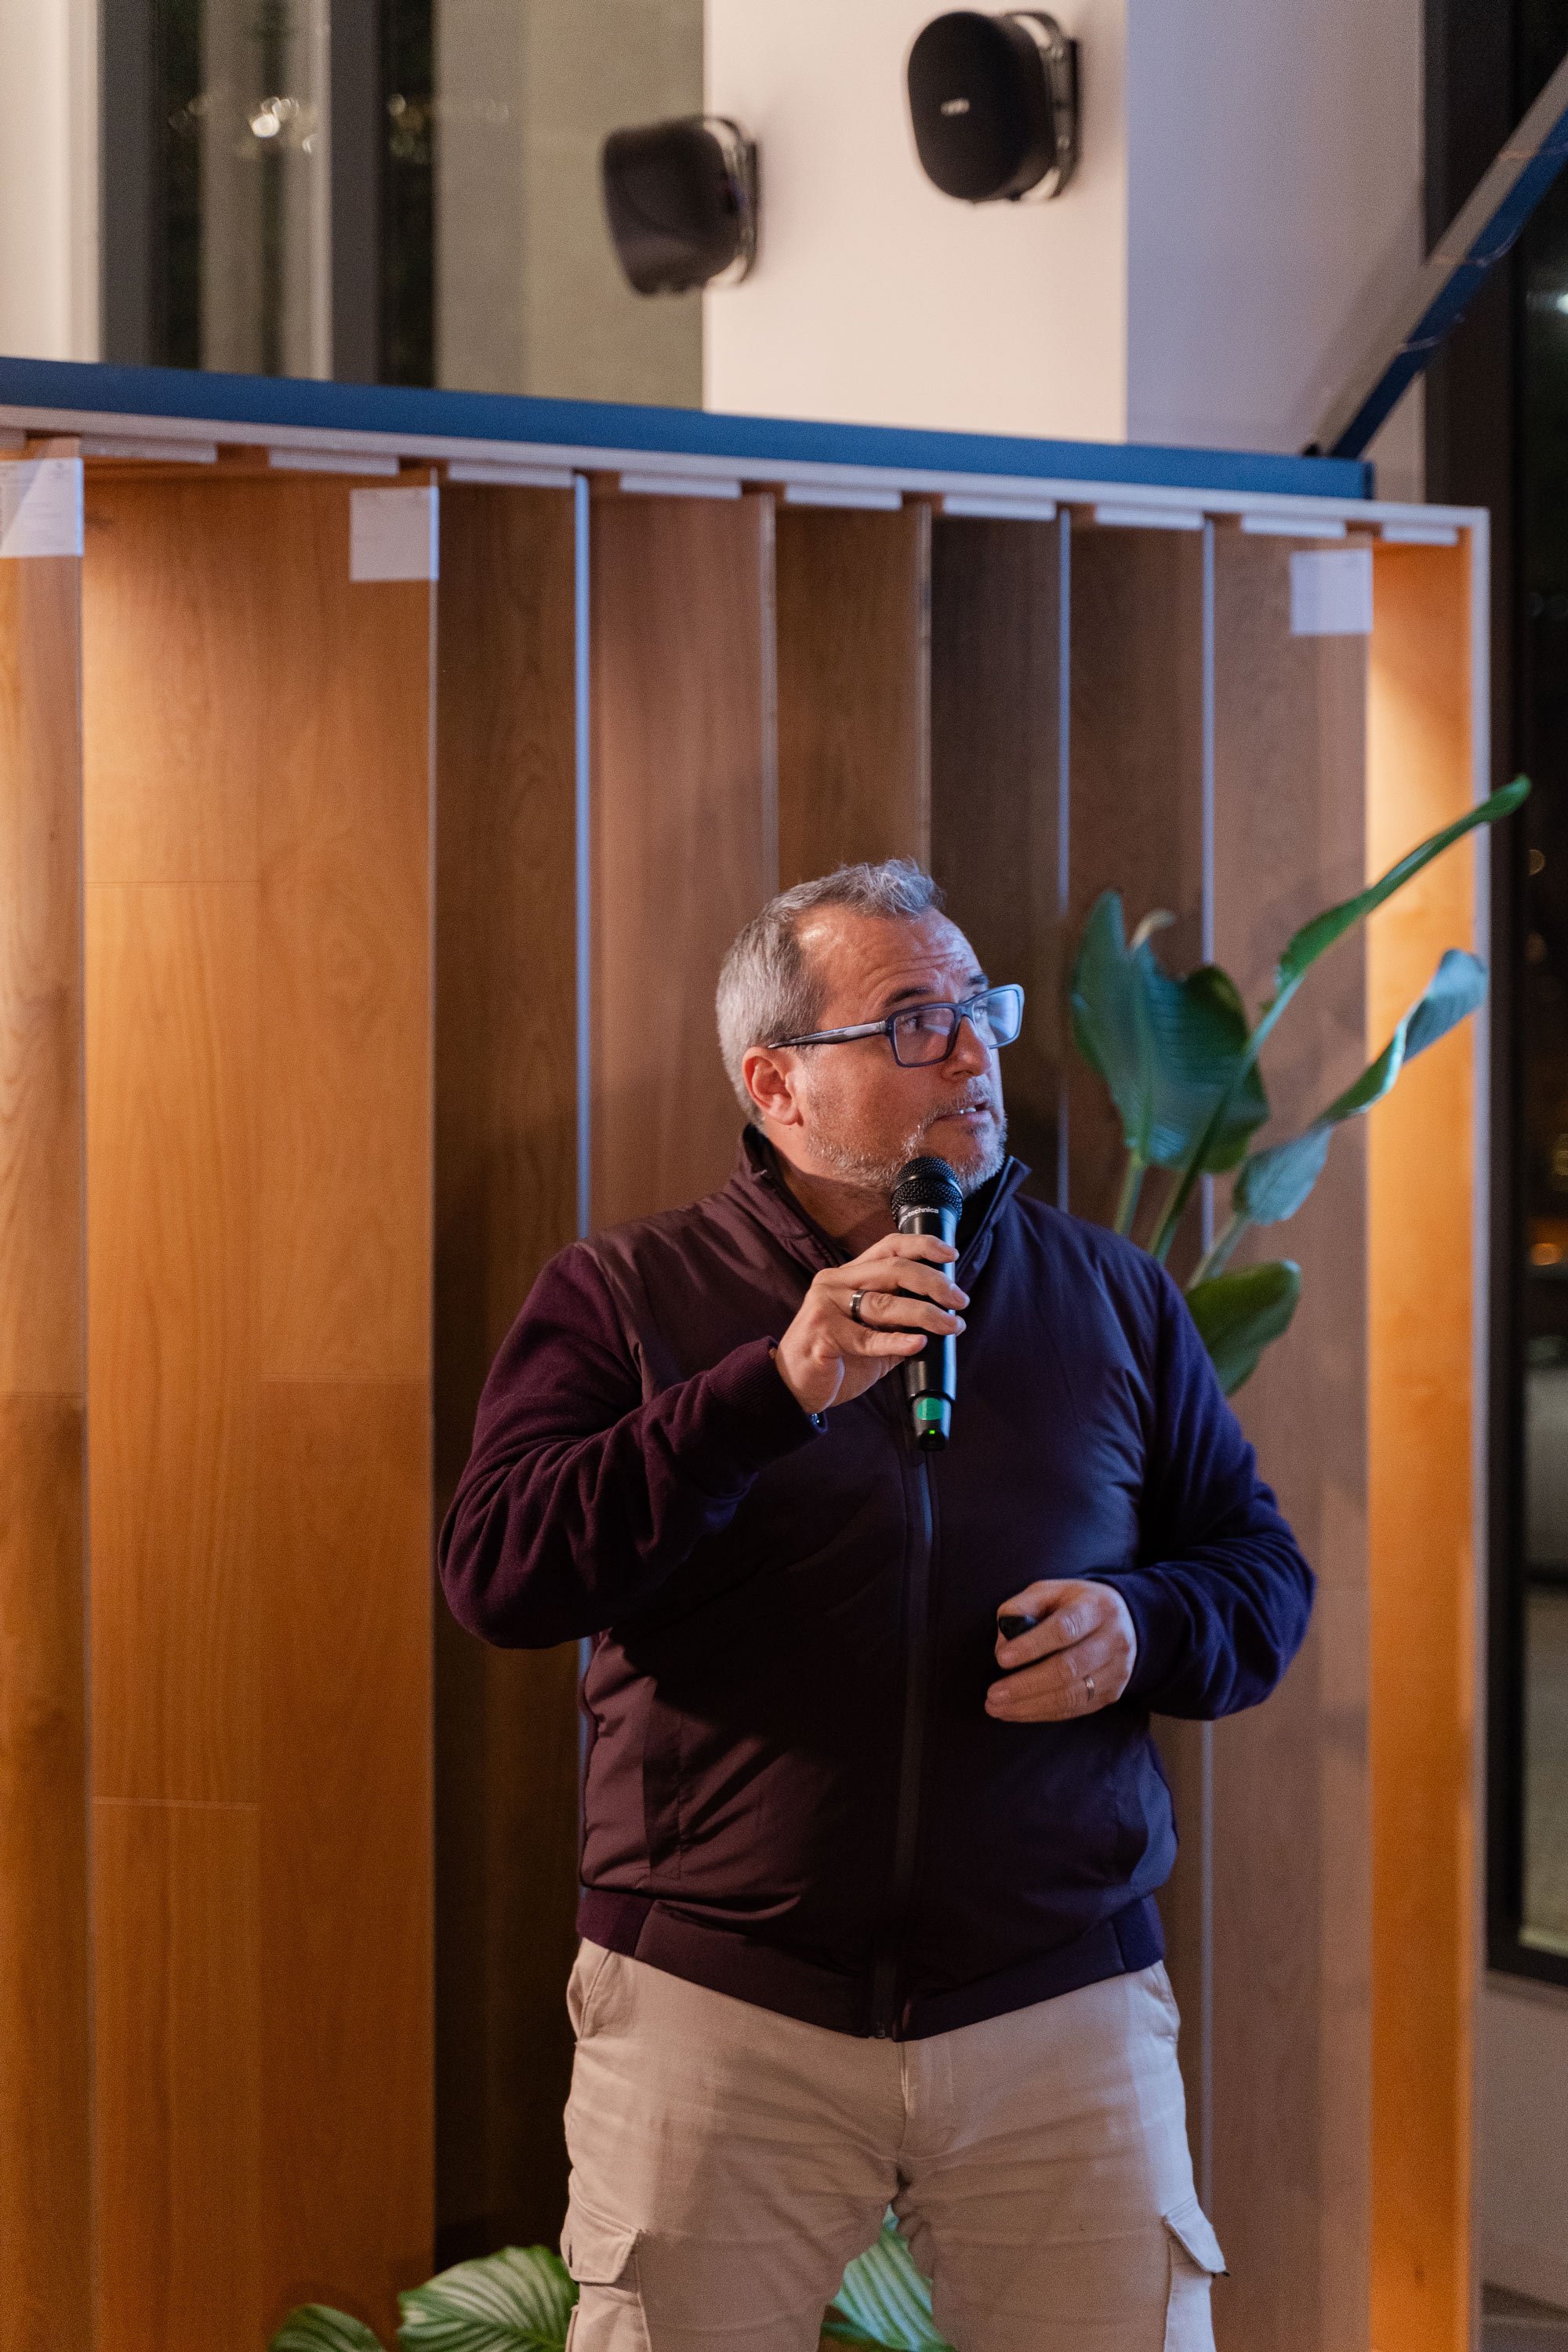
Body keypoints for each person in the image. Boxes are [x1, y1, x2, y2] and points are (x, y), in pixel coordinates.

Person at [439, 858, 1315, 2351]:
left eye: (981, 1010)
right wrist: (767, 1393)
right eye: (915, 1020)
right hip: (720, 2011)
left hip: (1059, 2006)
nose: (974, 1052)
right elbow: (501, 1571)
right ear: (777, 1085)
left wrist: (1144, 1628)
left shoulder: (1113, 1296)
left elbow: (1259, 1573)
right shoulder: (627, 1294)